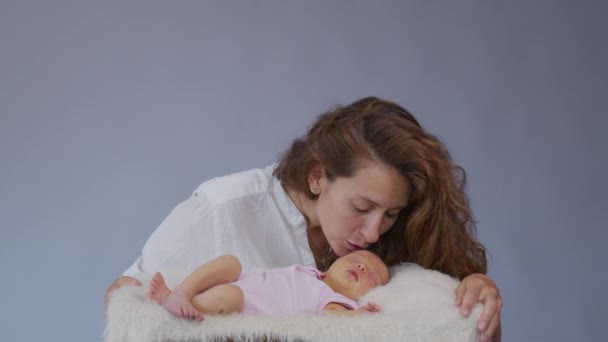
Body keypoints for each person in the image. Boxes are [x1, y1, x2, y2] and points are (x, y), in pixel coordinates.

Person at [106, 96, 502, 341]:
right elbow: (126, 309)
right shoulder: (224, 209)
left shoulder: (386, 248)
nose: (373, 232)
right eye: (361, 208)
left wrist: (476, 294)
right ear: (317, 177)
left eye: (391, 215)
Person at [147, 250, 388, 321]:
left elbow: (331, 319)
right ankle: (182, 292)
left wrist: (357, 314)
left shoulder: (337, 299)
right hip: (239, 282)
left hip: (244, 304)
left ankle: (190, 306)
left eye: (372, 277)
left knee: (229, 295)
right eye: (355, 260)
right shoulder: (311, 272)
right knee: (231, 262)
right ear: (329, 267)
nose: (362, 268)